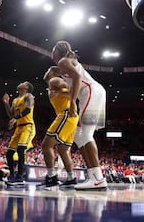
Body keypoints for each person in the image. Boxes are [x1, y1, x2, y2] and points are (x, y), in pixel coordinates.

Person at [51, 41, 107, 190]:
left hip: (91, 92)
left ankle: (98, 178)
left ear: (57, 52)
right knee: (79, 134)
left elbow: (77, 78)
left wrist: (72, 102)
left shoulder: (63, 61)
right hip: (92, 93)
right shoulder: (65, 63)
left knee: (86, 135)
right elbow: (75, 82)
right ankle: (94, 176)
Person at [38, 66, 79, 188]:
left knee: (46, 145)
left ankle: (52, 176)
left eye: (48, 70)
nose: (46, 72)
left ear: (52, 72)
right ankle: (71, 178)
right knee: (62, 150)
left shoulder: (54, 80)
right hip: (71, 117)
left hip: (66, 114)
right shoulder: (52, 83)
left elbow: (72, 92)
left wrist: (60, 92)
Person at [2, 81, 36, 184]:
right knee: (9, 153)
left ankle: (20, 176)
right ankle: (12, 175)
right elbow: (11, 115)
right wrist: (6, 103)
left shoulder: (29, 96)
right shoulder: (15, 100)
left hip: (28, 126)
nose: (21, 83)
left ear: (26, 88)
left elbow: (27, 111)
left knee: (21, 150)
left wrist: (15, 119)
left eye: (24, 83)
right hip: (18, 128)